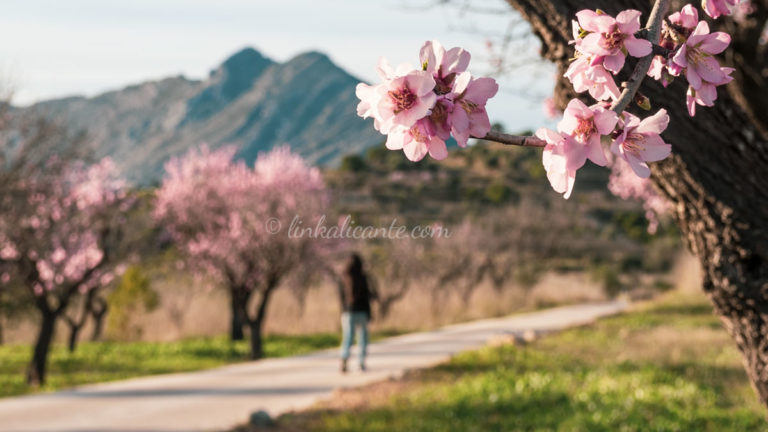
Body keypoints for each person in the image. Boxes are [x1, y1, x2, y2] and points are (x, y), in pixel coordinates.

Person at [339, 253, 374, 373]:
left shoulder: (344, 278)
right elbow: (367, 298)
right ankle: (361, 363)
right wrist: (370, 314)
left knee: (348, 337)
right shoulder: (363, 278)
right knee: (362, 338)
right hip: (361, 312)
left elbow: (341, 297)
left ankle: (344, 359)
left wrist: (343, 312)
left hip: (348, 313)